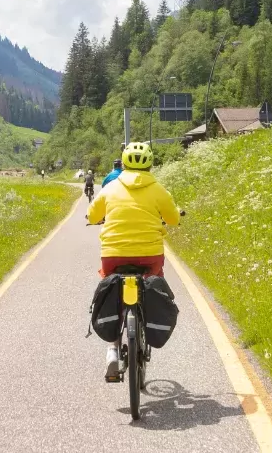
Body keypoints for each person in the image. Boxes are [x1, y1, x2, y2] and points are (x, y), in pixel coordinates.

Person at [87, 141, 180, 381]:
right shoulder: (158, 189)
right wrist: (173, 216)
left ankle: (112, 352)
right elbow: (172, 219)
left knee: (112, 288)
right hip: (149, 255)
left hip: (113, 254)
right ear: (150, 164)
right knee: (153, 282)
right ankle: (146, 323)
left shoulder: (110, 188)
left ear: (123, 162)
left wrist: (94, 217)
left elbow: (93, 214)